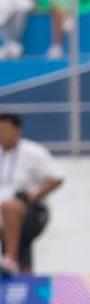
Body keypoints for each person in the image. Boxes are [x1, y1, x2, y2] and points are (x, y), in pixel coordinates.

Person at [0, 114, 64, 275]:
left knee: (10, 207)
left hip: (30, 211)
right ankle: (21, 273)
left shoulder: (33, 152)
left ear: (17, 131)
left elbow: (56, 178)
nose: (1, 134)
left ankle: (11, 259)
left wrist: (33, 196)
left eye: (5, 130)